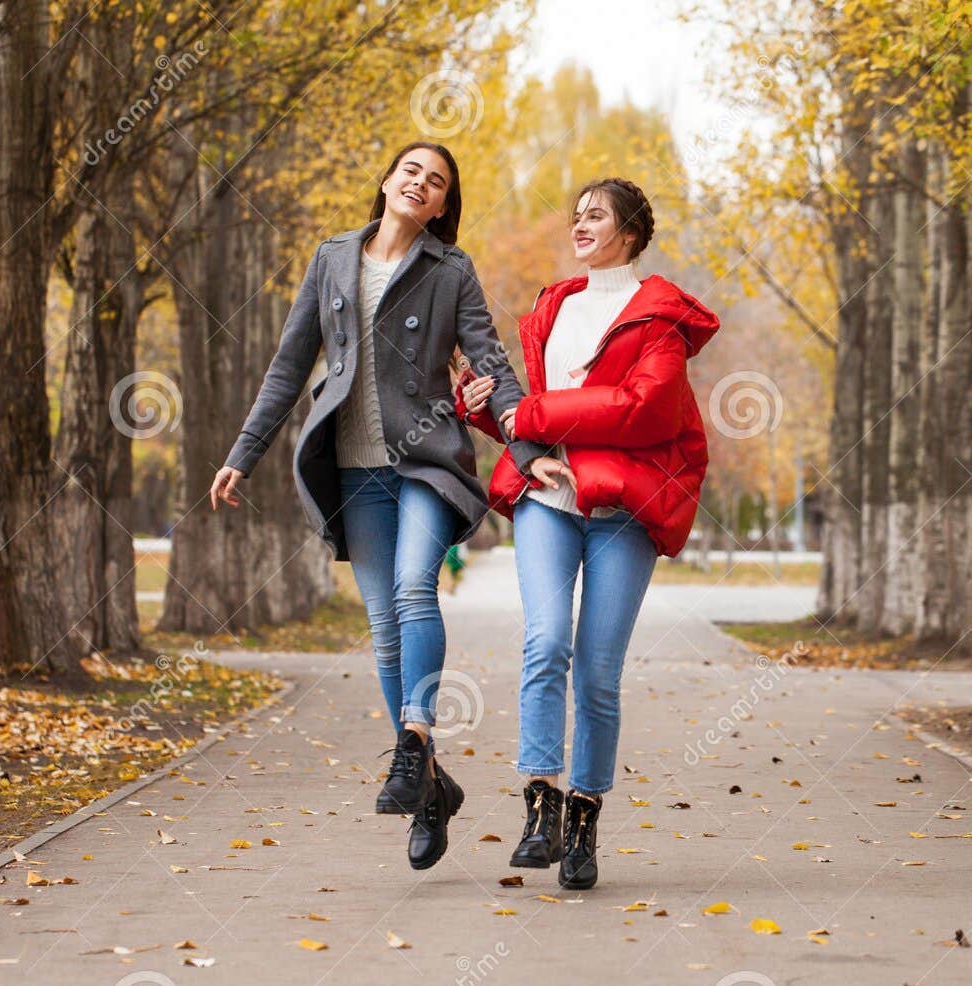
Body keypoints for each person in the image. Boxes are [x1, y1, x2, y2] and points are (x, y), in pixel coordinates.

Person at [210, 142, 541, 872]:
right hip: (354, 470)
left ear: (443, 206)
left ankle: (415, 736)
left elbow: (490, 363)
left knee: (414, 588)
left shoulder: (449, 270)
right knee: (385, 629)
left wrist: (524, 446)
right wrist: (243, 453)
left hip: (425, 460)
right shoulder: (332, 258)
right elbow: (290, 364)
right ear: (387, 181)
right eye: (411, 171)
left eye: (438, 183)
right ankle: (428, 792)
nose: (421, 184)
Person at [459, 177, 720, 889]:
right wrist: (486, 407)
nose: (580, 225)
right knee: (545, 642)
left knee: (598, 673)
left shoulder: (660, 320)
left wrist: (538, 414)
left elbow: (645, 410)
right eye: (575, 215)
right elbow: (525, 415)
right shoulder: (554, 307)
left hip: (623, 512)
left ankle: (583, 819)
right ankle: (538, 803)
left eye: (595, 216)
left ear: (630, 232)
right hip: (548, 499)